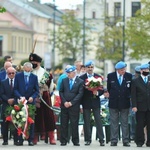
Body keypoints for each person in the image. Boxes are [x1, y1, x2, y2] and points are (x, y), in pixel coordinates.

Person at [29, 53, 56, 145]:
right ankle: (35, 137)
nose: (32, 63)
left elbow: (51, 87)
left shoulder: (45, 73)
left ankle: (51, 136)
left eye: (34, 62)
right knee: (35, 116)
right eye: (31, 62)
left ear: (39, 62)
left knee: (48, 116)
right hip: (33, 96)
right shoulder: (30, 72)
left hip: (44, 96)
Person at [107, 61, 132, 147]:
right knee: (114, 122)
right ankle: (114, 140)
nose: (123, 71)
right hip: (114, 102)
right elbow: (109, 88)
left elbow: (130, 89)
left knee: (125, 122)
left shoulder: (129, 76)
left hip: (125, 102)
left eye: (124, 69)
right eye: (121, 70)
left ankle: (126, 140)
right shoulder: (111, 76)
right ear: (117, 70)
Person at [80, 60, 105, 146]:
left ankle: (101, 139)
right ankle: (87, 139)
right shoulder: (81, 78)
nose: (90, 69)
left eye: (91, 67)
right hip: (86, 102)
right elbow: (80, 92)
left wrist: (97, 93)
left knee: (98, 120)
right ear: (86, 68)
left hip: (95, 102)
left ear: (93, 68)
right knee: (86, 121)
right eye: (88, 67)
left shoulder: (98, 77)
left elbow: (102, 89)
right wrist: (80, 105)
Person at [14, 62, 39, 146]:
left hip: (30, 102)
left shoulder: (34, 77)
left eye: (29, 69)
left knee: (31, 121)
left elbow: (37, 90)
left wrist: (33, 97)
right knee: (20, 120)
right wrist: (20, 97)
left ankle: (30, 140)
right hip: (21, 101)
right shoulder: (18, 76)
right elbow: (15, 89)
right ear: (24, 68)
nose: (27, 71)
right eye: (26, 69)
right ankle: (20, 139)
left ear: (31, 69)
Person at [59, 65, 84, 146]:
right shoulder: (64, 80)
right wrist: (65, 101)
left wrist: (71, 102)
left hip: (74, 106)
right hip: (64, 105)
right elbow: (61, 92)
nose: (68, 75)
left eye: (69, 73)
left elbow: (80, 94)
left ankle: (75, 140)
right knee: (64, 124)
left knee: (74, 123)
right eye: (67, 73)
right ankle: (63, 140)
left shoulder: (80, 81)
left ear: (74, 73)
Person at [131, 63, 150, 147]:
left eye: (147, 69)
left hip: (149, 106)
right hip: (140, 106)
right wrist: (134, 106)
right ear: (141, 71)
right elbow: (133, 95)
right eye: (144, 70)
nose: (146, 71)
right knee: (140, 124)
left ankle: (149, 142)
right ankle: (139, 141)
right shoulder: (135, 81)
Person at [0, 67, 18, 145]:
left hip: (16, 104)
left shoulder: (18, 82)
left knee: (16, 122)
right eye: (9, 73)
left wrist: (14, 100)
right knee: (5, 123)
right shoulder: (3, 82)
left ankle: (16, 140)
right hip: (6, 104)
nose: (11, 75)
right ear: (7, 74)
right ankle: (5, 140)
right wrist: (7, 100)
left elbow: (20, 92)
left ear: (15, 73)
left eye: (12, 73)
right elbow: (1, 93)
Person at [130, 65, 141, 141]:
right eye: (137, 73)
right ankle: (133, 134)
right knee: (133, 117)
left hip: (142, 101)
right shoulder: (132, 79)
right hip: (133, 101)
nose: (138, 75)